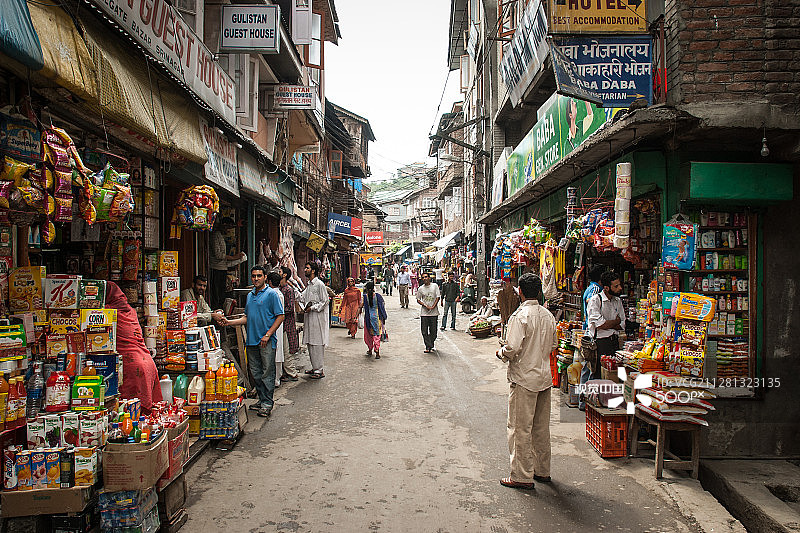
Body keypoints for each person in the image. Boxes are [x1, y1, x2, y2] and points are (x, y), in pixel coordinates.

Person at [496, 273, 557, 490]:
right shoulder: (548, 316)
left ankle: (522, 476)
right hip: (544, 377)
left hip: (524, 379)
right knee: (541, 428)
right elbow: (552, 345)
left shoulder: (520, 316)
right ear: (539, 292)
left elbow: (512, 348)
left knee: (520, 428)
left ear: (520, 292)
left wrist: (501, 352)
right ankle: (542, 471)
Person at [224, 266, 284, 418]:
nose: (256, 279)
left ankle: (267, 403)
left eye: (259, 276)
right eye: (253, 276)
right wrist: (229, 322)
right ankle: (262, 399)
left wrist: (268, 334)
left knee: (267, 373)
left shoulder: (271, 294)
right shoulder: (250, 296)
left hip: (266, 341)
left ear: (265, 277)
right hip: (251, 340)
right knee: (256, 373)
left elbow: (280, 316)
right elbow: (246, 317)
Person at [105, 282, 162, 412]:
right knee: (145, 415)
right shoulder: (131, 311)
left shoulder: (108, 313)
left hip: (131, 366)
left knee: (129, 414)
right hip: (147, 362)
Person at [586, 270, 626, 380]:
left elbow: (622, 323)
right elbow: (600, 325)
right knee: (599, 374)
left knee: (614, 374)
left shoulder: (617, 301)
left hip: (615, 342)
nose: (620, 288)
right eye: (616, 286)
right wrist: (615, 322)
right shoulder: (595, 300)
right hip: (600, 343)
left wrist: (609, 323)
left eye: (619, 285)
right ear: (607, 288)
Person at [578, 265, 605, 410]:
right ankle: (584, 402)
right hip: (592, 333)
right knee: (590, 369)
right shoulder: (595, 290)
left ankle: (585, 401)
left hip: (590, 331)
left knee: (588, 369)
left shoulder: (591, 288)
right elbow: (591, 307)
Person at [299, 261, 330, 379]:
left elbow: (325, 301)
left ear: (313, 270)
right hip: (309, 317)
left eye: (307, 268)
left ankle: (319, 369)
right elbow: (302, 297)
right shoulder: (309, 285)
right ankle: (315, 366)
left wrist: (313, 307)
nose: (305, 270)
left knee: (317, 343)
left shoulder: (319, 284)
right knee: (311, 343)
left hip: (317, 318)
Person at [210, 220, 247, 310]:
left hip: (222, 267)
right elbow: (218, 255)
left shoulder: (220, 236)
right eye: (229, 227)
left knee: (222, 293)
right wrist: (234, 257)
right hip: (216, 268)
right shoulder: (216, 236)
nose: (229, 230)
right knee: (217, 293)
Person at [279, 266, 300, 382]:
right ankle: (285, 372)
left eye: (280, 271)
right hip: (280, 324)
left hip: (287, 324)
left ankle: (292, 373)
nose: (279, 272)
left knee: (287, 350)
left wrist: (277, 311)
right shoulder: (280, 289)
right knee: (282, 349)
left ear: (284, 275)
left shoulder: (288, 290)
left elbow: (290, 308)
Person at [361, 281, 387, 359]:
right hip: (377, 318)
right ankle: (377, 351)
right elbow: (382, 306)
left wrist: (356, 315)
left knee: (369, 335)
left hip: (368, 318)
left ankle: (370, 349)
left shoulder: (365, 297)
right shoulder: (378, 296)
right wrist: (383, 317)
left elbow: (360, 306)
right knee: (377, 334)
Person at [416, 272, 440, 353]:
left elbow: (438, 297)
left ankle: (431, 343)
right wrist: (425, 305)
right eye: (423, 277)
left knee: (434, 331)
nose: (425, 279)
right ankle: (428, 346)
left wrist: (433, 306)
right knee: (424, 331)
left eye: (426, 277)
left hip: (434, 313)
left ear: (429, 278)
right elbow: (418, 299)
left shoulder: (434, 286)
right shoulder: (420, 289)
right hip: (424, 313)